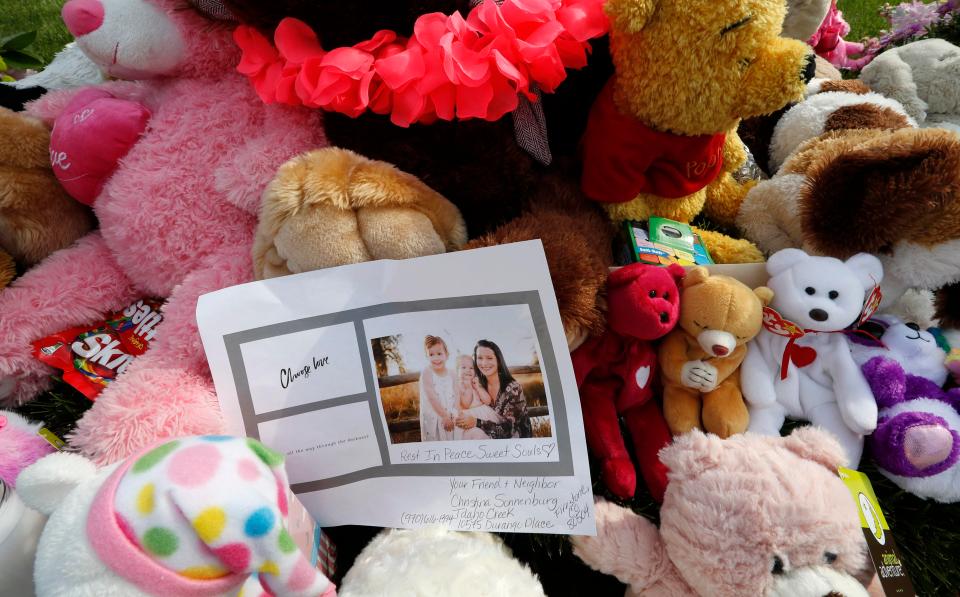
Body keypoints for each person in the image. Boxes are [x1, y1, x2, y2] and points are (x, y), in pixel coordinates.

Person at [456, 340, 532, 439]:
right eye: (480, 358)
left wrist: (476, 422)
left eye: (489, 358)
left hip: (515, 442)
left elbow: (509, 430)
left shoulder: (512, 389)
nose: (484, 363)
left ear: (498, 361)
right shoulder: (478, 383)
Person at [418, 335, 457, 441]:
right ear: (427, 357)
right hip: (436, 417)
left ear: (447, 355)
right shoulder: (427, 373)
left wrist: (455, 412)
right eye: (431, 354)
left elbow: (456, 395)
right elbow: (432, 397)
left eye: (439, 354)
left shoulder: (452, 374)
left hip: (451, 416)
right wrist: (444, 416)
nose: (435, 358)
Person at [452, 354, 500, 441]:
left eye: (471, 368)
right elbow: (466, 404)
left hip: (484, 415)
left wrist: (478, 387)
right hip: (468, 417)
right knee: (476, 436)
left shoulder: (476, 383)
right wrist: (469, 387)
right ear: (457, 371)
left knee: (489, 436)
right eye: (463, 367)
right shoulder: (459, 386)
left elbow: (488, 401)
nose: (468, 370)